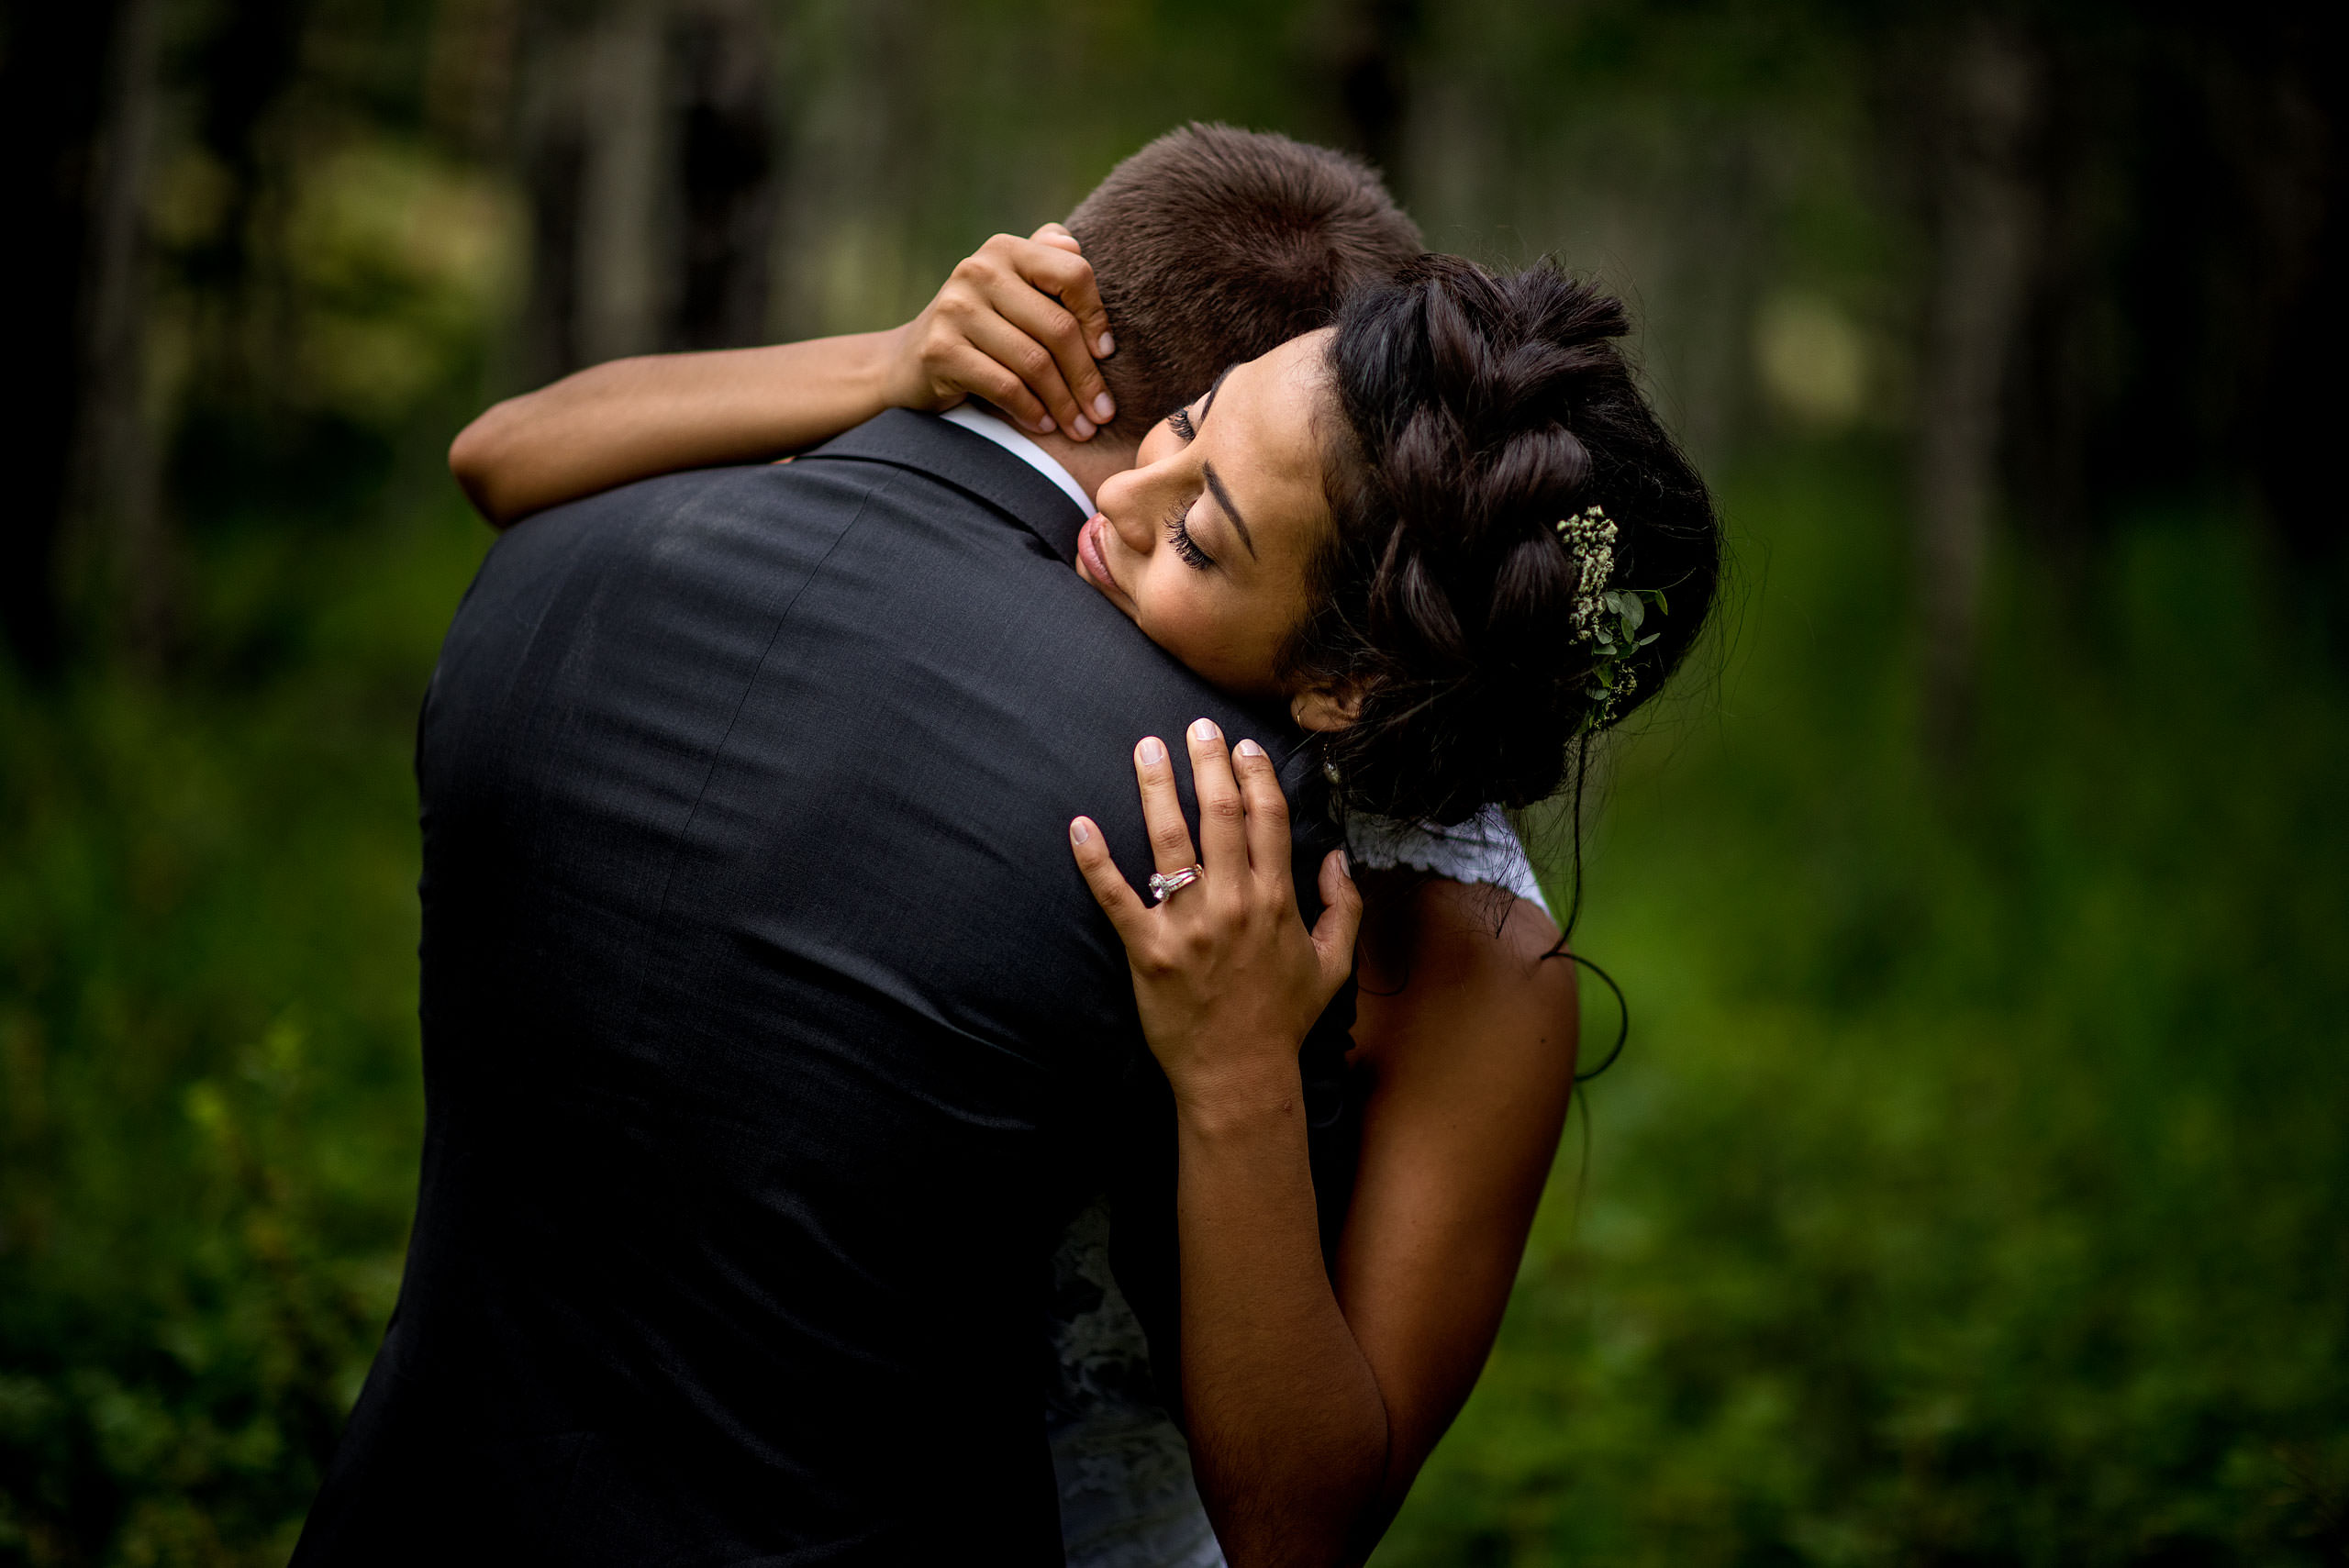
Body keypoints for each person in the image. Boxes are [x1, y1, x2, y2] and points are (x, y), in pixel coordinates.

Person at [441, 139, 1720, 1568]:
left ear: (1345, 685)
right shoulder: (1068, 654)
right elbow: (500, 453)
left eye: (1206, 543)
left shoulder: (1480, 964)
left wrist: (1236, 1073)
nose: (1116, 504)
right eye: (1184, 425)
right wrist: (898, 358)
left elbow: (1304, 1530)